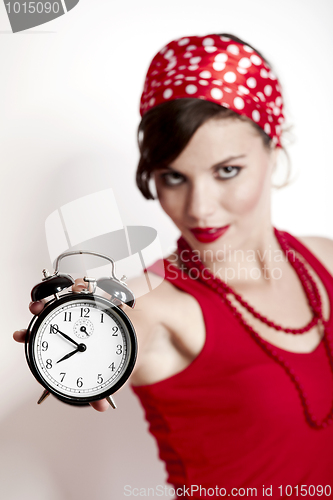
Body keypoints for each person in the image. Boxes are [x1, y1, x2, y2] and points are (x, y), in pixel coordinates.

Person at [14, 33, 333, 498]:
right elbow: (114, 328)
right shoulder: (154, 304)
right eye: (174, 177)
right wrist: (74, 330)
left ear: (274, 146)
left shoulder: (323, 259)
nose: (199, 209)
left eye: (227, 170)